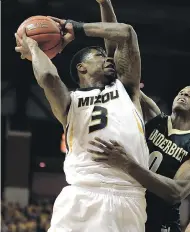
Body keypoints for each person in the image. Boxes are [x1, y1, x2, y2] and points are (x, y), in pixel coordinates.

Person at [14, 3, 149, 231]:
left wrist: (82, 22)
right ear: (82, 67)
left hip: (125, 193)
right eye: (99, 56)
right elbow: (47, 76)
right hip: (82, 192)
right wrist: (32, 46)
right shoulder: (70, 101)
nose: (108, 59)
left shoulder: (126, 88)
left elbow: (126, 33)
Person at [88, 85, 190, 232]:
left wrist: (128, 164)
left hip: (160, 220)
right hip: (127, 206)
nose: (184, 94)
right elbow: (131, 86)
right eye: (181, 92)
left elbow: (176, 192)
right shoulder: (155, 117)